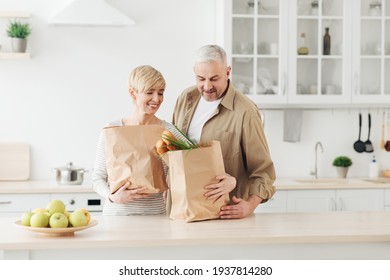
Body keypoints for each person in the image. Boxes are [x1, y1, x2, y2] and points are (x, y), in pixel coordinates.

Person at [172, 45, 276, 219]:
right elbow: (172, 148)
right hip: (181, 211)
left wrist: (249, 206)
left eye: (214, 78)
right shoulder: (186, 98)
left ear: (227, 72)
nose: (207, 86)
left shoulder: (246, 112)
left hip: (222, 216)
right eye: (200, 78)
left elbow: (263, 173)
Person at [92, 65, 175, 216]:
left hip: (155, 216)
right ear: (133, 93)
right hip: (116, 216)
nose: (157, 99)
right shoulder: (112, 130)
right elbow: (97, 177)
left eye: (161, 93)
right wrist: (111, 197)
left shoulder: (168, 131)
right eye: (149, 92)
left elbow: (186, 166)